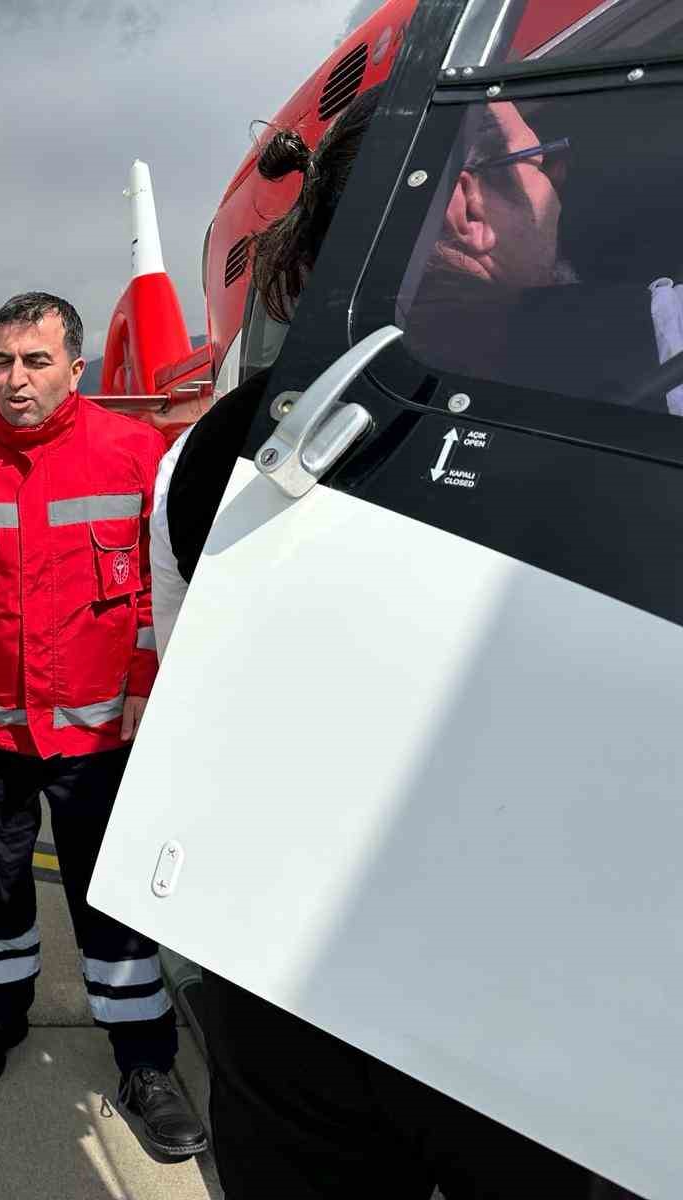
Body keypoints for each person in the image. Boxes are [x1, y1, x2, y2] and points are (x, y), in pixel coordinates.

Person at [155, 93, 597, 1198]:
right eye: (500, 160)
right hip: (412, 1009)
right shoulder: (221, 455)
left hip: (373, 988)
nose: (511, 187)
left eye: (522, 160)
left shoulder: (223, 447)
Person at [0, 292, 209, 1161]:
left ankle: (144, 1061)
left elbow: (162, 585)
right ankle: (0, 1015)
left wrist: (149, 681)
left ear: (79, 369)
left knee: (111, 903)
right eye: (3, 361)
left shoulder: (137, 455)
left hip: (100, 735)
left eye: (35, 362)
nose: (15, 379)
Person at [402, 100, 658, 406]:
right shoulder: (639, 333)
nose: (558, 185)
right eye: (542, 162)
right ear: (472, 210)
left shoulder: (362, 377)